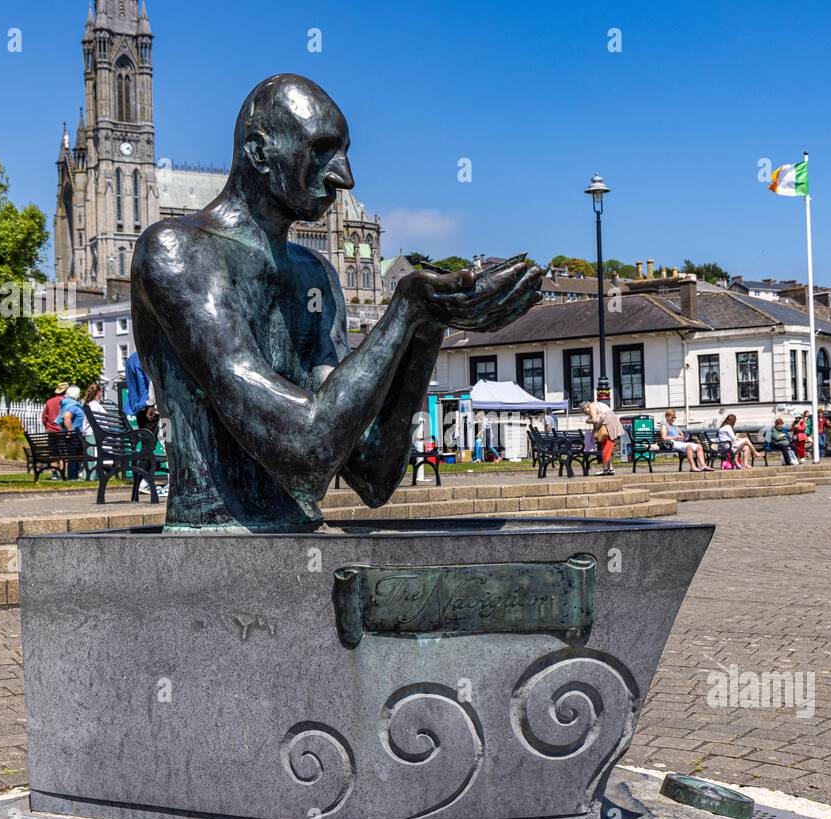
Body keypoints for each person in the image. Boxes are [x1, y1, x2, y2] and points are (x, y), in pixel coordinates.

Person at [131, 74, 541, 530]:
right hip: (212, 546)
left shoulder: (316, 273)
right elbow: (303, 453)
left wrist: (426, 325)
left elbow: (372, 474)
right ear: (258, 151)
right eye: (322, 150)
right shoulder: (175, 251)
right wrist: (403, 310)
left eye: (345, 153)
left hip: (301, 536)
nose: (344, 176)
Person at [581, 400, 624, 475]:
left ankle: (605, 469)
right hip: (612, 423)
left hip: (608, 424)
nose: (584, 413)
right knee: (609, 447)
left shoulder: (591, 405)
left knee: (606, 446)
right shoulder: (597, 406)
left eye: (583, 410)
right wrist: (593, 434)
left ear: (585, 407)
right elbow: (596, 423)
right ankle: (610, 468)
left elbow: (594, 420)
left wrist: (587, 421)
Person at [55, 385, 86, 479]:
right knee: (74, 456)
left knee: (74, 456)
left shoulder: (67, 403)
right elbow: (66, 417)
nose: (80, 395)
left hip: (73, 434)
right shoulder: (72, 405)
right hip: (74, 435)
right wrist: (70, 431)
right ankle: (73, 476)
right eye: (79, 393)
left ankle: (74, 475)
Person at [124, 350, 158, 437]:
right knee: (165, 438)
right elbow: (152, 382)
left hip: (138, 407)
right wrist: (151, 404)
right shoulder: (147, 357)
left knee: (146, 440)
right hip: (151, 406)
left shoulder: (130, 360)